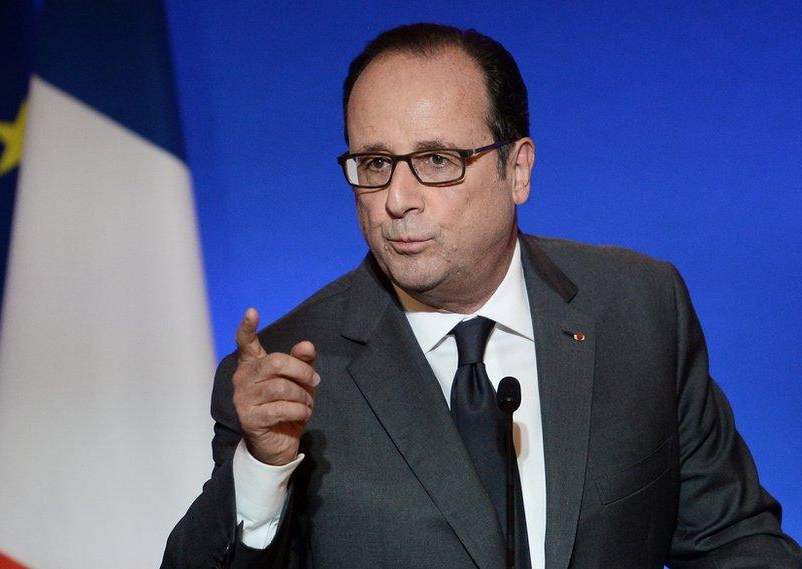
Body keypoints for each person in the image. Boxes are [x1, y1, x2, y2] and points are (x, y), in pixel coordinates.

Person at [162, 23, 800, 568]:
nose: (397, 200)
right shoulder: (288, 375)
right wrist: (264, 469)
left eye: (437, 161)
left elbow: (733, 542)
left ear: (517, 170)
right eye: (375, 163)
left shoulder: (640, 308)